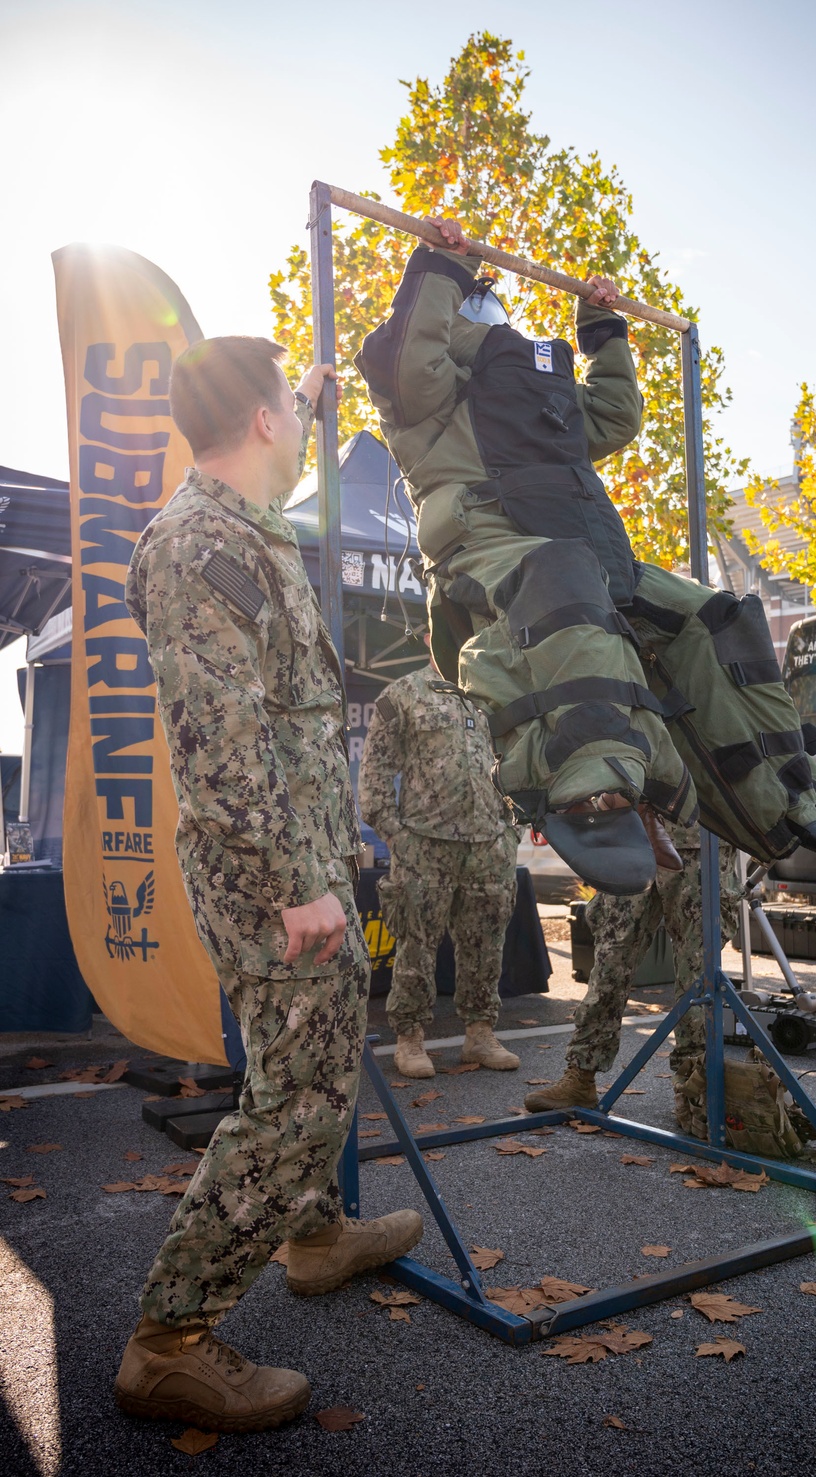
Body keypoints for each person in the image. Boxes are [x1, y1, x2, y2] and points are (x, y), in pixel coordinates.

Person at [355, 218, 816, 895]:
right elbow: (413, 357)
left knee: (715, 616)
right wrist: (440, 264)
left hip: (582, 549)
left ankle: (788, 794)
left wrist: (602, 332)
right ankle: (594, 789)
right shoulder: (421, 395)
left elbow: (613, 415)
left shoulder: (529, 398)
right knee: (560, 577)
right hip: (487, 549)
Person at [117, 338, 423, 1433]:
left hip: (298, 854)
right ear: (257, 420)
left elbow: (283, 442)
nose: (299, 420)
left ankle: (311, 1233)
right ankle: (168, 1340)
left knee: (314, 1066)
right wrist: (300, 884)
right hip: (271, 873)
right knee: (294, 1099)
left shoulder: (245, 514)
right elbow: (219, 745)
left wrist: (314, 391)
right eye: (287, 404)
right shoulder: (200, 544)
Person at [359, 640, 521, 1076]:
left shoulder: (496, 694)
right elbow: (374, 776)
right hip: (424, 845)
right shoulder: (403, 695)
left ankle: (480, 1035)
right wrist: (397, 837)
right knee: (416, 947)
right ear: (432, 634)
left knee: (486, 946)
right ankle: (410, 1040)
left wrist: (513, 830)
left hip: (489, 845)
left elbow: (524, 763)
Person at [523, 821, 740, 1118]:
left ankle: (695, 1088)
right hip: (632, 837)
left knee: (697, 975)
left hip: (699, 840)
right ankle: (581, 1076)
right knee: (610, 962)